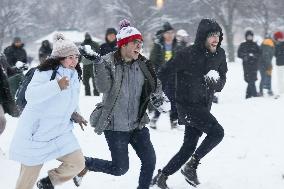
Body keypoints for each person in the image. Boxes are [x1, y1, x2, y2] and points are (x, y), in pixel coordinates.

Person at [73, 19, 165, 189]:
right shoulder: (107, 62)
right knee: (120, 169)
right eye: (134, 43)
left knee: (150, 160)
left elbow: (155, 84)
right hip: (115, 125)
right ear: (123, 45)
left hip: (138, 124)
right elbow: (102, 87)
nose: (139, 46)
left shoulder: (144, 64)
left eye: (140, 43)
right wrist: (98, 63)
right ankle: (85, 163)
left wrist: (159, 97)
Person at [151, 18, 227, 188]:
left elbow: (222, 82)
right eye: (211, 35)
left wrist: (216, 82)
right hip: (186, 105)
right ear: (202, 36)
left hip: (204, 105)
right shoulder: (187, 54)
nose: (215, 39)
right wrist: (156, 92)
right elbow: (164, 72)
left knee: (188, 147)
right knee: (217, 133)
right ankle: (191, 166)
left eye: (218, 35)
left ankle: (162, 176)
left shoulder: (220, 54)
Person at [9, 33, 87, 189]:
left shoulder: (74, 75)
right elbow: (30, 95)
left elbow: (70, 101)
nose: (75, 61)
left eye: (76, 57)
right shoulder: (44, 73)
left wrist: (75, 113)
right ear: (60, 58)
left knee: (77, 163)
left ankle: (47, 183)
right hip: (37, 134)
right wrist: (56, 86)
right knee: (24, 184)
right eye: (70, 57)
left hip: (60, 132)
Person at [149, 22, 178, 129]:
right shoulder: (158, 46)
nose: (170, 35)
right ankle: (154, 119)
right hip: (161, 76)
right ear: (164, 34)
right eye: (168, 33)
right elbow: (152, 61)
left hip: (174, 76)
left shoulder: (176, 46)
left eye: (172, 33)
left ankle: (173, 120)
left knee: (174, 99)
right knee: (162, 99)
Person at [0, 53, 19, 155]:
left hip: (1, 99)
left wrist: (17, 69)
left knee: (2, 122)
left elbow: (8, 70)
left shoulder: (1, 57)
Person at [237, 30, 261, 99]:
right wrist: (245, 56)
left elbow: (259, 53)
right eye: (248, 36)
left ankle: (251, 94)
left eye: (251, 36)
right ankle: (251, 94)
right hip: (246, 65)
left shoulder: (255, 45)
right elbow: (239, 54)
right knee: (248, 79)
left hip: (254, 65)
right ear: (246, 37)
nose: (250, 37)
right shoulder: (243, 45)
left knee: (252, 79)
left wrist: (254, 56)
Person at [274, 31, 284, 98]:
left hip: (280, 63)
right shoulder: (276, 45)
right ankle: (282, 92)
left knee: (281, 78)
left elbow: (275, 54)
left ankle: (282, 92)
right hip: (279, 64)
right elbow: (275, 54)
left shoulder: (277, 45)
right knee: (280, 79)